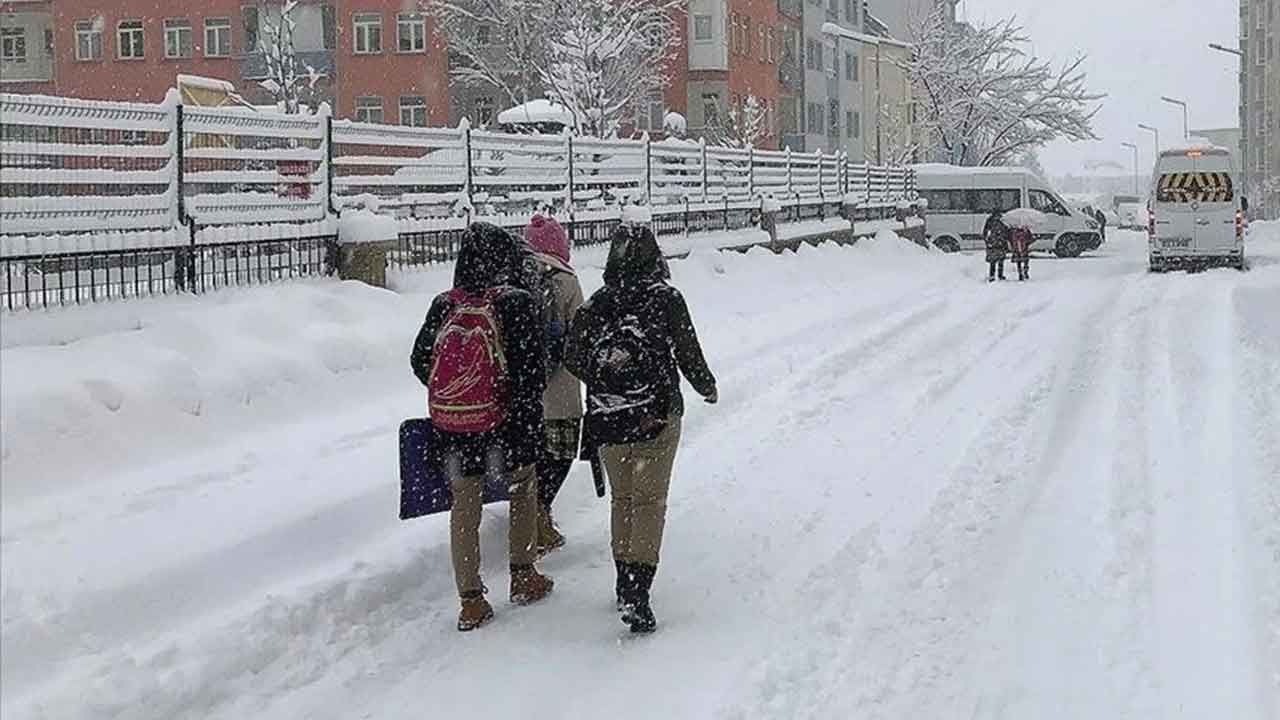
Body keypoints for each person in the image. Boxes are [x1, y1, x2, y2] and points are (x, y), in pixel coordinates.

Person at [566, 221, 717, 634]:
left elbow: (572, 355)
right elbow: (688, 351)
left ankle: (622, 580)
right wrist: (707, 386)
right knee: (649, 504)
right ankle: (638, 590)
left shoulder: (597, 304)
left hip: (608, 418)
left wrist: (605, 378)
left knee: (624, 500)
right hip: (656, 415)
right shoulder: (666, 299)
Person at [410, 222, 553, 632]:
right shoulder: (515, 302)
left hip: (454, 427)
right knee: (522, 488)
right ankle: (523, 575)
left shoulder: (444, 304)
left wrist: (458, 391)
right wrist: (509, 405)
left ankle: (470, 600)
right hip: (505, 425)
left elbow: (421, 360)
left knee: (464, 507)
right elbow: (532, 372)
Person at [523, 214, 585, 554]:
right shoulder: (566, 280)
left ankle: (529, 516)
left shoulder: (513, 277)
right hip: (560, 392)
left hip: (523, 391)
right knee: (559, 455)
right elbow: (581, 333)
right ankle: (541, 514)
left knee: (530, 458)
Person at [983, 209, 1009, 282]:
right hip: (998, 243)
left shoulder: (990, 221)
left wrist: (987, 241)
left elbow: (985, 232)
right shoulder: (1002, 221)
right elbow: (1006, 231)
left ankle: (993, 275)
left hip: (995, 243)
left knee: (995, 261)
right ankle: (998, 275)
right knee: (998, 260)